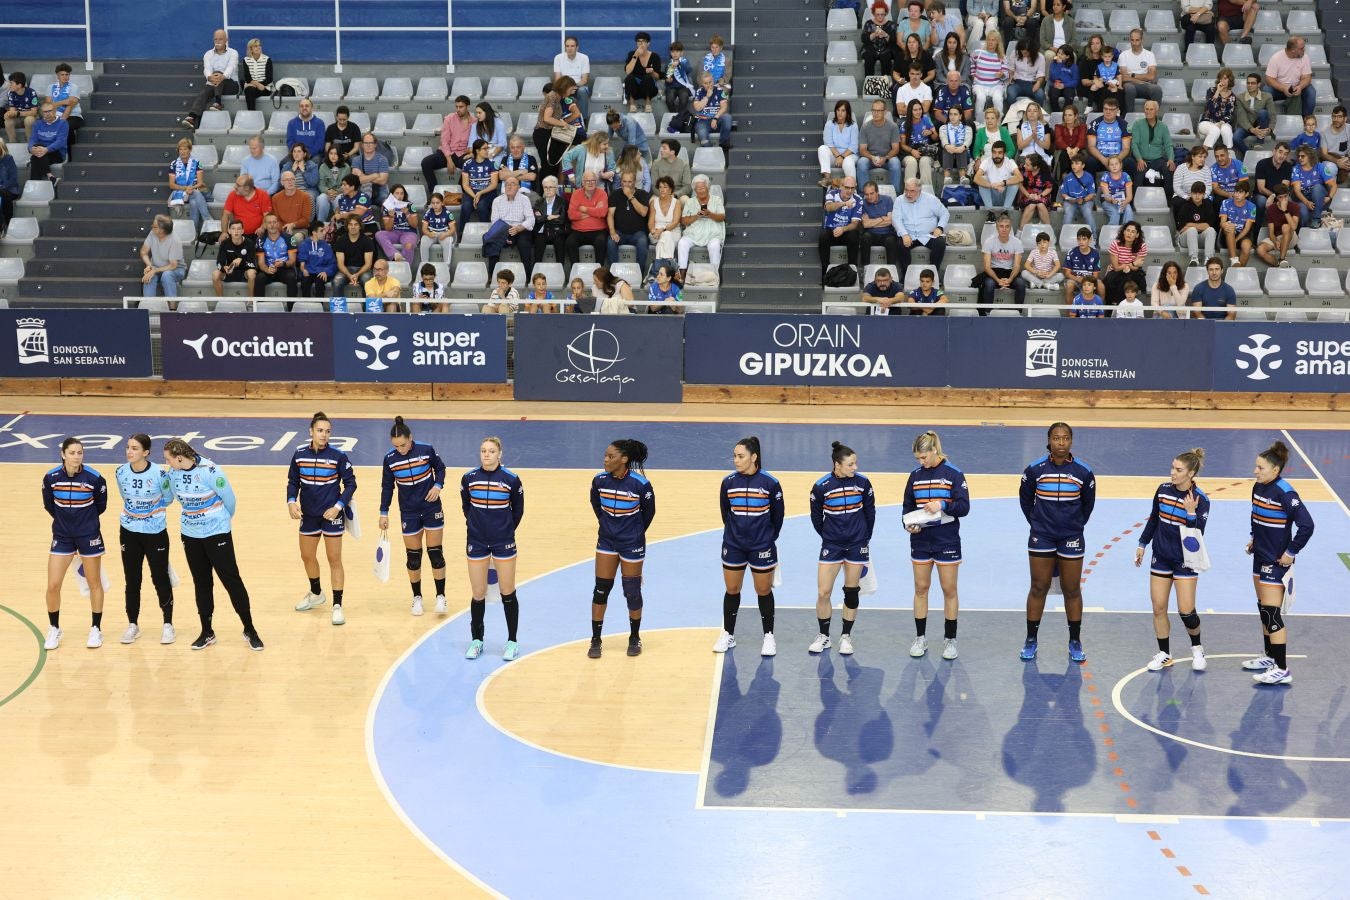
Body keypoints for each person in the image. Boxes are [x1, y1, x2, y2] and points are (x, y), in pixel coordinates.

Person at [163, 438, 263, 651]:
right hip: (190, 535)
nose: (166, 463)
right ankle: (207, 632)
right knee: (202, 583)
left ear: (179, 457)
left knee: (232, 581)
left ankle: (250, 629)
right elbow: (168, 499)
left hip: (217, 533)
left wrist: (221, 522)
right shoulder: (172, 474)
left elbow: (230, 501)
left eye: (168, 459)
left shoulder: (211, 471)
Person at [1019, 422, 1095, 662]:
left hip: (1071, 537)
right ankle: (1031, 639)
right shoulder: (1034, 470)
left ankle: (1075, 640)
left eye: (1065, 438)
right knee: (1038, 587)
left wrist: (1073, 526)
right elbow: (1025, 500)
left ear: (1071, 441)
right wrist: (1039, 524)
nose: (1061, 443)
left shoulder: (1084, 472)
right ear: (1049, 441)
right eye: (1056, 438)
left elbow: (1087, 505)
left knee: (1071, 589)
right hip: (1042, 535)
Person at [1243, 440, 1314, 686]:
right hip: (1259, 556)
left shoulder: (1286, 492)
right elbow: (1255, 517)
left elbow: (1307, 525)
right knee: (1264, 608)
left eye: (1260, 468)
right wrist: (1253, 538)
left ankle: (1282, 669)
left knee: (1272, 613)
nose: (1255, 471)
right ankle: (1270, 657)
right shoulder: (1258, 488)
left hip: (1276, 561)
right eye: (1256, 467)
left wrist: (1291, 551)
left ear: (1275, 470)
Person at [1134, 449, 1210, 672]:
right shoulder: (1163, 490)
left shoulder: (1201, 500)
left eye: (1178, 470)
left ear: (1191, 473)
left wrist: (1190, 513)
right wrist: (1142, 544)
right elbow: (1154, 519)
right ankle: (1164, 654)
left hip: (1186, 560)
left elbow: (1197, 536)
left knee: (1186, 611)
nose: (1172, 473)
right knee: (1158, 607)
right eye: (1172, 468)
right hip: (1161, 556)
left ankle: (1197, 648)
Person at [710, 437, 785, 656]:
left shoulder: (770, 483)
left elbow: (777, 517)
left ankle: (768, 636)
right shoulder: (728, 482)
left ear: (754, 457)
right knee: (732, 590)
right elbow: (726, 513)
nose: (735, 460)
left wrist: (766, 538)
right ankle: (728, 634)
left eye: (740, 456)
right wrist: (736, 533)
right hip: (733, 544)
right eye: (734, 456)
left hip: (761, 545)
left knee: (763, 590)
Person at [902, 430, 969, 659]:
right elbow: (907, 508)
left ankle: (950, 640)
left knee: (949, 590)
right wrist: (908, 524)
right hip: (920, 540)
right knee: (921, 589)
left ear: (934, 451)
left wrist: (941, 504)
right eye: (918, 459)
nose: (921, 462)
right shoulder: (914, 476)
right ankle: (920, 638)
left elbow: (964, 507)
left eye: (924, 457)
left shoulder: (954, 474)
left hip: (946, 540)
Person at [458, 436, 526, 660]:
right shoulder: (469, 478)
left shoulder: (512, 480)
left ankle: (512, 641)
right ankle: (477, 640)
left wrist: (504, 530)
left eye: (491, 451)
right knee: (478, 593)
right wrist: (476, 526)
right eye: (483, 451)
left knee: (508, 591)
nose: (486, 454)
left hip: (503, 542)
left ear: (500, 454)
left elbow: (518, 511)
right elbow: (466, 506)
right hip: (476, 541)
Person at [588, 440, 655, 659]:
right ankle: (596, 639)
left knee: (632, 592)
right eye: (605, 456)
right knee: (601, 589)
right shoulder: (599, 481)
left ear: (624, 459)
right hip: (607, 542)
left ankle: (634, 637)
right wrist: (608, 525)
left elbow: (648, 513)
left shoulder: (641, 484)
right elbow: (596, 505)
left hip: (632, 543)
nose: (605, 460)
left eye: (610, 456)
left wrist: (633, 532)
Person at [288, 412, 357, 626]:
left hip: (331, 517)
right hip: (308, 515)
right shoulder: (299, 455)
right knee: (307, 556)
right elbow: (293, 481)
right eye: (320, 430)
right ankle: (316, 593)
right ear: (311, 431)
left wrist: (338, 507)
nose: (324, 435)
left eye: (327, 431)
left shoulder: (338, 456)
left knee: (334, 559)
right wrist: (291, 501)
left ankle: (337, 605)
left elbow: (351, 484)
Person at [808, 441, 876, 656]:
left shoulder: (863, 484)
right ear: (837, 464)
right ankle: (824, 636)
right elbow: (816, 517)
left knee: (851, 591)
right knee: (823, 592)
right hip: (832, 545)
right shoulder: (821, 487)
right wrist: (829, 536)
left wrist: (864, 538)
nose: (855, 467)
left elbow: (870, 513)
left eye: (855, 463)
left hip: (857, 545)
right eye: (850, 464)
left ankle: (846, 637)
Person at [41, 437, 109, 650]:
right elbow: (49, 505)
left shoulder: (95, 478)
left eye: (80, 453)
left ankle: (96, 629)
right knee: (53, 584)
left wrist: (83, 523)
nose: (76, 457)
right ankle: (54, 628)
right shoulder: (51, 477)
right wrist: (66, 522)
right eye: (72, 453)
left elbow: (101, 506)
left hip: (88, 534)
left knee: (94, 582)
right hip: (62, 536)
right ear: (63, 454)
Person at [380, 417, 449, 617]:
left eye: (403, 444)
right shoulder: (390, 459)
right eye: (396, 446)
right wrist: (383, 512)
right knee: (413, 558)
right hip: (408, 512)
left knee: (435, 553)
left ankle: (441, 596)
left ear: (411, 438)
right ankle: (417, 597)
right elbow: (387, 487)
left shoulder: (426, 450)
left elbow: (441, 468)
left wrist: (438, 485)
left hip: (431, 508)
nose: (400, 449)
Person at [115, 434, 176, 645]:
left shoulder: (160, 473)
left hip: (155, 531)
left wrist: (150, 514)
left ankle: (168, 624)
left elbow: (168, 499)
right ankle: (133, 624)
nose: (129, 451)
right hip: (129, 532)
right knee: (132, 579)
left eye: (134, 448)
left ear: (146, 453)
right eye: (128, 447)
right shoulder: (121, 472)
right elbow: (125, 496)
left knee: (160, 577)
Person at [180, 30, 239, 131]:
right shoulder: (208, 54)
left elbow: (231, 68)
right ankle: (192, 117)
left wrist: (222, 76)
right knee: (204, 92)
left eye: (220, 39)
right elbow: (206, 69)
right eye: (215, 39)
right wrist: (209, 77)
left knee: (218, 74)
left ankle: (218, 102)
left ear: (226, 40)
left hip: (231, 85)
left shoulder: (233, 53)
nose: (218, 41)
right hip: (213, 84)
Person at [893, 175, 948, 275]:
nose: (908, 194)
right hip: (909, 235)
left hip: (927, 235)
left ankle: (933, 274)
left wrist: (940, 227)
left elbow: (945, 213)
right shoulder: (899, 200)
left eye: (912, 191)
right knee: (900, 244)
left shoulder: (930, 199)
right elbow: (896, 219)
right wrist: (904, 234)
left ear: (919, 190)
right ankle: (906, 274)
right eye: (906, 190)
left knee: (940, 243)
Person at [677, 175, 726, 279]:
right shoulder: (690, 202)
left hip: (712, 233)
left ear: (708, 187)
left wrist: (710, 214)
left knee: (714, 245)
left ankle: (714, 275)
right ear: (694, 190)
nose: (700, 191)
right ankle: (682, 274)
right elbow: (684, 221)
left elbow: (722, 217)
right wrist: (696, 216)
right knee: (682, 243)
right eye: (698, 188)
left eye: (703, 188)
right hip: (694, 233)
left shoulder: (716, 200)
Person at [535, 78, 583, 182]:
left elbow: (576, 113)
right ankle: (544, 193)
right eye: (570, 90)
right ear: (564, 87)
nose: (571, 92)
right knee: (548, 167)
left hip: (550, 133)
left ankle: (553, 191)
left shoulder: (557, 97)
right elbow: (547, 118)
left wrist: (563, 122)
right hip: (543, 133)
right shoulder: (553, 97)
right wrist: (563, 123)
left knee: (553, 166)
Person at [818, 176, 862, 285]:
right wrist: (843, 204)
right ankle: (825, 274)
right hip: (831, 230)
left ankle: (852, 272)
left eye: (852, 188)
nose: (850, 191)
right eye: (847, 187)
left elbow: (855, 224)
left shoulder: (858, 199)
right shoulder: (832, 193)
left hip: (846, 231)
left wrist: (843, 229)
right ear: (841, 186)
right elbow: (828, 207)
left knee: (854, 236)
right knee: (823, 237)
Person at [422, 95, 474, 187]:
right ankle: (434, 192)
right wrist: (449, 160)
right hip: (446, 153)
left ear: (468, 107)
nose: (458, 109)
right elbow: (444, 141)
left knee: (470, 165)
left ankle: (459, 193)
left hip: (463, 153)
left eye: (461, 107)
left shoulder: (474, 122)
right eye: (456, 106)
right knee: (426, 163)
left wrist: (471, 153)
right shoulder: (449, 118)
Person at [606, 170, 650, 274]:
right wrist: (612, 231)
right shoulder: (615, 194)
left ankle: (639, 273)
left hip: (638, 233)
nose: (626, 184)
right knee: (610, 242)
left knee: (643, 243)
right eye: (624, 181)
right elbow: (610, 214)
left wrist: (630, 196)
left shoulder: (643, 194)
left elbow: (643, 212)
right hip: (620, 232)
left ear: (634, 182)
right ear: (621, 181)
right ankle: (614, 274)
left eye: (629, 182)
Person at [979, 212, 1026, 308]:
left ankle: (1018, 311)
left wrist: (1010, 279)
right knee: (989, 284)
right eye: (1001, 226)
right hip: (994, 271)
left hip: (1010, 272)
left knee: (1021, 284)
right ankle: (987, 313)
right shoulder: (989, 242)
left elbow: (1017, 266)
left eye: (1007, 226)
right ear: (997, 228)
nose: (1004, 229)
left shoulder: (1017, 242)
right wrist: (998, 280)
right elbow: (987, 267)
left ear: (1010, 228)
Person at [565, 170, 610, 269]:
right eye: (587, 181)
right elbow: (571, 215)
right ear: (583, 183)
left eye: (593, 180)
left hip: (598, 231)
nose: (590, 183)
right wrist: (594, 210)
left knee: (601, 242)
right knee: (570, 242)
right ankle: (575, 272)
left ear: (596, 182)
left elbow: (602, 213)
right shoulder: (576, 194)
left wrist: (584, 209)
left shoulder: (602, 194)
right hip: (578, 231)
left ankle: (599, 272)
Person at [1129, 100, 1175, 194]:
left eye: (1151, 109)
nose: (1148, 111)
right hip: (1142, 159)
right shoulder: (1138, 124)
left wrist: (1171, 159)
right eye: (1146, 109)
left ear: (1156, 112)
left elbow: (1168, 145)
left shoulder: (1163, 126)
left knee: (1169, 168)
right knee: (1139, 172)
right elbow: (1134, 144)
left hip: (1157, 160)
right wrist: (1139, 159)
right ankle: (1135, 202)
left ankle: (1168, 200)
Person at [1263, 37, 1315, 119]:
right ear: (1293, 50)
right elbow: (1269, 79)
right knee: (1266, 91)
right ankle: (1267, 122)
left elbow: (1307, 77)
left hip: (1297, 87)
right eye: (1302, 48)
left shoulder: (1305, 57)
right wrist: (1283, 88)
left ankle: (1307, 121)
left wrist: (1300, 87)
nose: (1304, 50)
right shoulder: (1276, 58)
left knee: (1311, 92)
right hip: (1279, 89)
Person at [857, 100, 902, 193]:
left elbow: (896, 149)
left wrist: (885, 158)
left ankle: (894, 195)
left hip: (887, 158)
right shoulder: (865, 127)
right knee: (861, 163)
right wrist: (872, 157)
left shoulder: (893, 127)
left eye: (879, 111)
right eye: (873, 110)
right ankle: (864, 195)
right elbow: (862, 150)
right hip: (870, 158)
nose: (875, 113)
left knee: (896, 163)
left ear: (885, 112)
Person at [140, 214, 185, 300]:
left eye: (154, 226)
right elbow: (143, 252)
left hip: (176, 269)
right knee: (149, 275)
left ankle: (172, 309)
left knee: (167, 275)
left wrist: (154, 270)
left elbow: (173, 265)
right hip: (157, 267)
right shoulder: (152, 233)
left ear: (162, 230)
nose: (152, 227)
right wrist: (149, 266)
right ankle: (148, 306)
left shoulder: (175, 240)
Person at [1116, 28, 1160, 115]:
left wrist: (1132, 75)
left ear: (1142, 40)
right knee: (1129, 88)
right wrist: (1142, 79)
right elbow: (1124, 77)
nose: (1134, 43)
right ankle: (1129, 118)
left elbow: (1151, 76)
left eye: (1137, 40)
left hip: (1145, 86)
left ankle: (1154, 118)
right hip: (1130, 84)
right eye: (1132, 40)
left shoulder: (1149, 55)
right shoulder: (1123, 55)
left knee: (1157, 89)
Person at [1175, 181, 1219, 267]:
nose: (1197, 196)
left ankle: (1208, 259)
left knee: (1211, 230)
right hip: (1186, 239)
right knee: (1192, 230)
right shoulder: (1185, 206)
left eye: (1200, 193)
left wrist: (1190, 224)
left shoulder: (1208, 205)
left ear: (1203, 194)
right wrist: (1198, 227)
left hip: (1201, 238)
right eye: (1195, 193)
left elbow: (1208, 225)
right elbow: (1182, 228)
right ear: (1191, 194)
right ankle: (1194, 258)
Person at [1102, 220, 1147, 304]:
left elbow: (1136, 268)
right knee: (1111, 280)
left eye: (1133, 232)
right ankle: (1112, 307)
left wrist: (1130, 266)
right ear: (1124, 231)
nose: (1129, 234)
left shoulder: (1142, 246)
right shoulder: (1115, 244)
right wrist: (1132, 263)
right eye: (1127, 230)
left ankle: (1119, 306)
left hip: (1134, 272)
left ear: (1137, 235)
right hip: (1116, 271)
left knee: (1126, 280)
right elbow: (1116, 267)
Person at [1291, 145, 1336, 227]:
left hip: (1319, 199)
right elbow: (1297, 191)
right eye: (1299, 156)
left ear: (1310, 156)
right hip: (1303, 199)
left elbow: (1334, 185)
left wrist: (1329, 197)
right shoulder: (1296, 169)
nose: (1300, 158)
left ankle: (1316, 219)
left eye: (1303, 156)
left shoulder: (1320, 166)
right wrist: (1307, 202)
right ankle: (1304, 232)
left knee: (1317, 187)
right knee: (1303, 212)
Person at [857, 180, 899, 270]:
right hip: (870, 234)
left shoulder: (887, 200)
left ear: (877, 192)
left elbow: (890, 221)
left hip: (887, 233)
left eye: (871, 193)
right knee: (865, 238)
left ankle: (892, 270)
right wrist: (882, 218)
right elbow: (866, 224)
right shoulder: (863, 203)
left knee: (891, 240)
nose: (869, 197)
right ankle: (865, 269)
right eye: (866, 194)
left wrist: (872, 222)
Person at [1255, 185, 1301, 267]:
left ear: (1288, 194)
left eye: (1285, 196)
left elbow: (1294, 227)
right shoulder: (1271, 209)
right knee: (1260, 250)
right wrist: (1275, 241)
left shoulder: (1295, 206)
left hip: (1291, 237)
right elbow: (1271, 233)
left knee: (1285, 227)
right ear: (1276, 197)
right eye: (1280, 197)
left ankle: (1282, 258)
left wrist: (1285, 210)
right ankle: (1279, 264)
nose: (1283, 199)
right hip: (1277, 237)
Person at [255, 213, 298, 298]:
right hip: (268, 269)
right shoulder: (260, 240)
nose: (272, 225)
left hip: (285, 268)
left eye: (274, 222)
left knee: (291, 277)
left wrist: (283, 264)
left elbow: (292, 260)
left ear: (278, 224)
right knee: (259, 278)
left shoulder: (289, 238)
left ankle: (291, 309)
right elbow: (261, 263)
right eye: (269, 222)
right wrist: (267, 270)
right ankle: (259, 308)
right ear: (265, 225)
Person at [975, 141, 1021, 220]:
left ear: (1004, 154)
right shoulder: (987, 162)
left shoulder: (1010, 162)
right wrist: (992, 185)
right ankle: (990, 212)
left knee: (1015, 181)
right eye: (994, 152)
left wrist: (1003, 183)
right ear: (991, 152)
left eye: (1000, 153)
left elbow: (1020, 177)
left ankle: (1005, 211)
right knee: (982, 179)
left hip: (1004, 195)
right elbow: (976, 178)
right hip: (991, 196)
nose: (996, 155)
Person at [458, 138, 499, 225]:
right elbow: (465, 185)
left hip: (488, 192)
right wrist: (474, 196)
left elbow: (494, 184)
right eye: (485, 148)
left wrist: (480, 193)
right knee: (466, 206)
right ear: (477, 150)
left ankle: (486, 233)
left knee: (481, 205)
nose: (487, 150)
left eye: (488, 148)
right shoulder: (467, 164)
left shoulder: (492, 163)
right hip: (471, 192)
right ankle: (462, 233)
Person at [27, 102, 68, 188]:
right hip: (43, 153)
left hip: (57, 153)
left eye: (50, 111)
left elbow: (60, 142)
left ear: (55, 111)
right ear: (42, 113)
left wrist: (46, 149)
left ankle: (34, 185)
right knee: (36, 153)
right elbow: (32, 139)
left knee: (35, 156)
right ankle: (51, 177)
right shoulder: (38, 124)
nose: (48, 114)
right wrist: (31, 148)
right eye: (45, 111)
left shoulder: (63, 123)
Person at [1233, 72, 1274, 158]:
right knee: (1236, 138)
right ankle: (1249, 155)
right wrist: (1252, 129)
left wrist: (1269, 129)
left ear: (1259, 84)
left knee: (1263, 113)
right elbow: (1241, 117)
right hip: (1246, 125)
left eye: (1253, 83)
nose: (1250, 85)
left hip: (1261, 124)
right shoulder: (1240, 97)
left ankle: (1259, 142)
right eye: (1248, 83)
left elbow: (1272, 115)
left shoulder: (1267, 96)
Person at [332, 215, 375, 296]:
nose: (353, 227)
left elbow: (368, 264)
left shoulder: (367, 241)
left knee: (367, 281)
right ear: (347, 226)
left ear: (360, 226)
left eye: (356, 224)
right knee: (337, 281)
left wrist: (357, 274)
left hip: (363, 270)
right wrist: (349, 275)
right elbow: (340, 264)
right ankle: (338, 309)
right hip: (345, 270)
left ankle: (367, 308)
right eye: (350, 224)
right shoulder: (341, 240)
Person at [212, 220, 257, 296]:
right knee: (215, 273)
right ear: (229, 231)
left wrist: (241, 260)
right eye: (233, 229)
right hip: (229, 272)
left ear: (242, 231)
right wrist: (224, 268)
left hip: (244, 273)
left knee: (252, 273)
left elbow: (253, 264)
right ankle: (220, 301)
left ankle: (250, 301)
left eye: (239, 229)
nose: (236, 231)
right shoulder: (224, 244)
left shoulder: (249, 243)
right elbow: (219, 262)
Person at [1086, 99, 1129, 175]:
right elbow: (1091, 146)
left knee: (1130, 163)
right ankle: (1092, 186)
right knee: (1090, 162)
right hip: (1100, 159)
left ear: (1117, 110)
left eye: (1111, 109)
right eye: (1105, 109)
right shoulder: (1094, 123)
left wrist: (1115, 161)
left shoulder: (1124, 124)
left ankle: (1129, 186)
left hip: (1118, 158)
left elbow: (1126, 148)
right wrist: (1104, 160)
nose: (1108, 112)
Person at [970, 30, 1009, 115]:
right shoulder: (978, 53)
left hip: (996, 85)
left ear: (997, 42)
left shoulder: (1002, 57)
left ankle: (998, 123)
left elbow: (1006, 75)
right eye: (989, 39)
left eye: (993, 40)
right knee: (981, 98)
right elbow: (972, 62)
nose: (990, 42)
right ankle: (979, 122)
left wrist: (1002, 74)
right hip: (979, 84)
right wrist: (973, 74)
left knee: (998, 99)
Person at [1197, 70, 1237, 152]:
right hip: (1207, 122)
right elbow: (1209, 108)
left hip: (1223, 122)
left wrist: (1221, 122)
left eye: (1225, 78)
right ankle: (1203, 153)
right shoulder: (1211, 91)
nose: (1222, 81)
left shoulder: (1232, 96)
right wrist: (1217, 91)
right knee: (1215, 129)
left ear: (1230, 80)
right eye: (1220, 78)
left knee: (1226, 130)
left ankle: (1228, 154)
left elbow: (1229, 114)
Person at [554, 35, 592, 120]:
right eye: (567, 46)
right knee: (554, 92)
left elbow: (584, 80)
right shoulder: (558, 58)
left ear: (577, 47)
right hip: (563, 86)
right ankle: (559, 119)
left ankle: (583, 119)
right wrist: (566, 88)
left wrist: (573, 87)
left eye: (572, 46)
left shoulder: (584, 58)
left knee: (582, 91)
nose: (569, 48)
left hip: (578, 86)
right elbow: (557, 79)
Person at [1219, 183, 1256, 266]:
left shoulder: (1252, 206)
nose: (1236, 195)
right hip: (1228, 233)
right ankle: (1234, 260)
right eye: (1235, 192)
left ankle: (1238, 270)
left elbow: (1247, 228)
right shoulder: (1225, 202)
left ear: (1246, 194)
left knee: (1246, 247)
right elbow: (1222, 222)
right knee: (1230, 227)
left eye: (1240, 192)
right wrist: (1224, 224)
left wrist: (1235, 240)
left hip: (1243, 234)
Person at [623, 32, 661, 114]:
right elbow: (627, 71)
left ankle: (648, 103)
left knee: (647, 77)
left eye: (643, 41)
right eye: (638, 41)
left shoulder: (655, 56)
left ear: (648, 43)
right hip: (634, 89)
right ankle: (632, 103)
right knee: (629, 78)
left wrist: (652, 72)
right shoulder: (631, 54)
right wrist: (635, 56)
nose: (641, 43)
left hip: (649, 88)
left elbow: (657, 77)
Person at [692, 71, 732, 149]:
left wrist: (715, 118)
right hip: (702, 121)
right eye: (706, 83)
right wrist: (707, 97)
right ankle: (710, 150)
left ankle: (723, 143)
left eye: (710, 82)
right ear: (702, 84)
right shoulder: (699, 92)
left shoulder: (721, 90)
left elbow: (724, 107)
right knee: (704, 140)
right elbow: (697, 108)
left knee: (727, 117)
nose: (708, 85)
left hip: (717, 118)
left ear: (713, 81)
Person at [47, 63, 84, 148]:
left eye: (67, 74)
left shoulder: (74, 87)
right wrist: (63, 102)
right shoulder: (50, 87)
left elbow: (70, 106)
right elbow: (48, 106)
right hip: (55, 115)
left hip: (73, 116)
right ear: (57, 76)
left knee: (66, 125)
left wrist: (61, 120)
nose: (65, 77)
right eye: (62, 74)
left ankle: (70, 152)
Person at [1004, 32, 1046, 107]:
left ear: (1032, 50)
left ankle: (1038, 116)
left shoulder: (1040, 57)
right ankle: (1012, 116)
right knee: (1010, 93)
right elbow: (1011, 68)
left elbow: (1041, 74)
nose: (1023, 53)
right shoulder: (1015, 53)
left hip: (1032, 83)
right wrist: (1011, 76)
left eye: (1026, 52)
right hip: (1017, 82)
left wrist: (1038, 83)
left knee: (1040, 95)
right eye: (1022, 51)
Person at [1059, 154, 1098, 230]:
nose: (1073, 165)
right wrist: (1071, 199)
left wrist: (1083, 200)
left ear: (1083, 165)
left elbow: (1092, 194)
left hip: (1086, 201)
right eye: (1072, 163)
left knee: (1088, 213)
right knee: (1068, 214)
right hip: (1070, 201)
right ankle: (1065, 237)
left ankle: (1094, 237)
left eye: (1077, 163)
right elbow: (1063, 193)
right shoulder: (1067, 177)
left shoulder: (1089, 176)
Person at [1061, 226, 1099, 304]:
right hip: (1075, 280)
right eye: (1079, 239)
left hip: (1089, 280)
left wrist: (1087, 282)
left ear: (1090, 240)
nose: (1081, 242)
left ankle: (1100, 313)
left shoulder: (1095, 254)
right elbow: (1067, 274)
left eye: (1084, 239)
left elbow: (1095, 275)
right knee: (1069, 285)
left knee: (1101, 286)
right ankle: (1070, 314)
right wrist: (1079, 279)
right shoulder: (1071, 252)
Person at [351, 132, 391, 206]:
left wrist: (363, 176)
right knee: (358, 201)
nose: (368, 145)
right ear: (362, 145)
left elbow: (382, 181)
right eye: (366, 143)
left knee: (387, 205)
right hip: (362, 190)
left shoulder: (383, 159)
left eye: (371, 143)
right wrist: (375, 175)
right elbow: (356, 181)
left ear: (375, 145)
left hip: (380, 191)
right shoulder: (356, 160)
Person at [938, 104, 973, 185]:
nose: (952, 117)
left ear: (960, 116)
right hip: (947, 155)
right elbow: (944, 140)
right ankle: (947, 178)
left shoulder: (968, 128)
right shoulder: (943, 128)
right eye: (950, 114)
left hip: (963, 155)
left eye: (955, 114)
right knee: (947, 149)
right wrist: (948, 146)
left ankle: (962, 177)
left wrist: (961, 148)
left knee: (962, 150)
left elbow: (968, 141)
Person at [1253, 140, 1293, 213]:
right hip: (1262, 195)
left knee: (1289, 201)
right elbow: (1261, 188)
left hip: (1279, 195)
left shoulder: (1288, 166)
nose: (1282, 156)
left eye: (1285, 154)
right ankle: (1257, 224)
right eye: (1280, 152)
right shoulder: (1262, 164)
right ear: (1274, 151)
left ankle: (1284, 224)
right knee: (1262, 201)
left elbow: (1284, 187)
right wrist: (1273, 196)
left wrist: (1274, 196)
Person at [272, 171, 314, 239]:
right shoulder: (275, 198)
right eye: (287, 180)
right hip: (282, 229)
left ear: (295, 181)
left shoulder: (305, 196)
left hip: (300, 230)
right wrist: (283, 229)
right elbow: (276, 219)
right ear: (282, 182)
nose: (290, 182)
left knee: (295, 240)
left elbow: (306, 220)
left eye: (292, 179)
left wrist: (293, 225)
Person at [316, 145, 351, 224]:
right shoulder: (323, 167)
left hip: (341, 193)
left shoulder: (346, 167)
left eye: (336, 154)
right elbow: (321, 184)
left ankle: (338, 224)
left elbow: (347, 185)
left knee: (339, 198)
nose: (333, 156)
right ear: (328, 155)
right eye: (331, 153)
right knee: (321, 198)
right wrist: (328, 191)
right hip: (327, 192)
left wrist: (337, 192)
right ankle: (321, 224)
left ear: (339, 155)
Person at [861, 3, 899, 77]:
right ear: (874, 14)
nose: (880, 16)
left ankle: (885, 82)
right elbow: (864, 39)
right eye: (877, 14)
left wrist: (886, 35)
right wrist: (874, 34)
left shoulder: (891, 24)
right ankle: (869, 82)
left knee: (886, 57)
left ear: (885, 14)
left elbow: (894, 40)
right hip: (871, 49)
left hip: (886, 49)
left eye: (882, 14)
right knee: (869, 57)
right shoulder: (869, 23)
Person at [297, 229, 336, 299]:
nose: (324, 232)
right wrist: (303, 270)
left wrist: (326, 272)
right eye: (321, 231)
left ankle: (320, 307)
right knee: (305, 280)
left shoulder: (326, 246)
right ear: (314, 232)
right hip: (308, 271)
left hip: (322, 271)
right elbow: (302, 263)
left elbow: (332, 263)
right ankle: (305, 305)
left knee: (320, 280)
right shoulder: (304, 245)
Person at [1017, 154, 1053, 226]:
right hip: (1026, 194)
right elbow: (1019, 184)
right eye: (1025, 163)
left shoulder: (1045, 171)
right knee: (1032, 205)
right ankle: (1020, 231)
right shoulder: (1022, 168)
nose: (1024, 165)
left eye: (1027, 165)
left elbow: (1049, 188)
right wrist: (1028, 195)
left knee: (1040, 205)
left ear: (1035, 167)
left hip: (1042, 195)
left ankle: (1049, 230)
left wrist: (1040, 196)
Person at [4, 72, 40, 143]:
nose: (9, 85)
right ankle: (12, 143)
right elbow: (12, 111)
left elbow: (34, 112)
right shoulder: (11, 93)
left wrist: (17, 113)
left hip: (31, 117)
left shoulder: (31, 92)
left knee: (28, 120)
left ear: (19, 85)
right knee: (8, 121)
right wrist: (8, 114)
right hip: (18, 117)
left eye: (11, 83)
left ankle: (30, 143)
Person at [1098, 155, 1134, 225]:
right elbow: (1106, 196)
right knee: (1115, 213)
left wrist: (1125, 202)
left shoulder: (1126, 176)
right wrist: (1112, 200)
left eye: (1116, 164)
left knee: (1129, 210)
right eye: (1111, 164)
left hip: (1122, 200)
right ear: (1108, 167)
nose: (1114, 166)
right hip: (1107, 200)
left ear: (1120, 165)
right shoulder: (1105, 176)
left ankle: (1125, 232)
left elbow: (1129, 196)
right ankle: (1110, 234)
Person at [238, 38, 273, 111]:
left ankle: (252, 114)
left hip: (265, 87)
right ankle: (252, 113)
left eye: (259, 45)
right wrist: (257, 85)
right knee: (250, 90)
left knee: (250, 91)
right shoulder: (246, 60)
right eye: (255, 46)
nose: (258, 47)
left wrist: (260, 85)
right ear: (250, 49)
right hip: (251, 86)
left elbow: (269, 79)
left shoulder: (267, 59)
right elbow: (247, 78)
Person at [663, 41, 696, 113]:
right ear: (670, 53)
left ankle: (680, 116)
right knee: (669, 99)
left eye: (677, 51)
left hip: (683, 87)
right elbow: (667, 79)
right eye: (672, 51)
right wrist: (668, 80)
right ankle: (674, 115)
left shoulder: (684, 62)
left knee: (684, 98)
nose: (674, 54)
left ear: (681, 53)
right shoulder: (669, 64)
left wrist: (679, 63)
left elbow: (689, 70)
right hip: (671, 87)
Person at [1046, 44, 1079, 114]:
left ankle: (1065, 114)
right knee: (1053, 95)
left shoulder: (1073, 66)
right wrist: (1059, 64)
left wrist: (1064, 85)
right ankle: (1057, 114)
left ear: (1067, 56)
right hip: (1056, 85)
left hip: (1068, 86)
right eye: (1058, 53)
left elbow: (1075, 81)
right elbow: (1053, 77)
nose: (1059, 55)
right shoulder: (1054, 64)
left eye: (1062, 54)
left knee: (1069, 96)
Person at [1321, 106, 1350, 185]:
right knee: (1330, 169)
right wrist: (1337, 161)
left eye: (1339, 117)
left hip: (1346, 158)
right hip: (1330, 159)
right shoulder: (1324, 132)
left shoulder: (1349, 129)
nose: (1336, 119)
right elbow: (1324, 154)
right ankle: (1332, 193)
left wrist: (1346, 159)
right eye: (1334, 116)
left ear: (1345, 118)